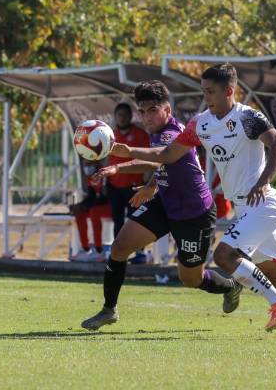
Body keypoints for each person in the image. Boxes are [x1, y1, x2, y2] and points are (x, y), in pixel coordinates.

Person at [103, 65, 276, 335]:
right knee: (274, 271)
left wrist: (263, 182)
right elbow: (167, 155)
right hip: (245, 207)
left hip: (264, 204)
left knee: (224, 255)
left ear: (229, 91)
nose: (207, 97)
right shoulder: (201, 123)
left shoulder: (248, 117)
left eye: (211, 92)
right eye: (203, 92)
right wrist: (126, 152)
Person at [80, 80, 241, 330]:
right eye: (142, 112)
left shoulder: (173, 133)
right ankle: (108, 310)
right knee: (120, 247)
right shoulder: (156, 133)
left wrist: (125, 152)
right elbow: (161, 164)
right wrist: (124, 172)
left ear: (167, 110)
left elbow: (163, 155)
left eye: (152, 110)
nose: (146, 117)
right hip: (165, 203)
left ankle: (230, 286)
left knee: (191, 278)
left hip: (193, 214)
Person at [106, 103, 150, 236]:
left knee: (136, 219)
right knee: (117, 220)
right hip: (114, 185)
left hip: (134, 186)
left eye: (125, 115)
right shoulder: (110, 136)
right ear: (115, 116)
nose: (122, 118)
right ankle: (118, 254)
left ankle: (139, 253)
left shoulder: (141, 134)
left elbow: (149, 158)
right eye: (119, 115)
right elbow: (105, 159)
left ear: (131, 116)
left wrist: (146, 181)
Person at [70, 159, 111, 262]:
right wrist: (80, 206)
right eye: (85, 164)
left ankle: (98, 250)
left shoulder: (105, 174)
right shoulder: (90, 177)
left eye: (89, 164)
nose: (86, 166)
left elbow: (105, 197)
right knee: (80, 214)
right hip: (97, 205)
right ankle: (86, 249)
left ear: (96, 163)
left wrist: (85, 206)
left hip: (111, 206)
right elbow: (91, 196)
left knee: (94, 211)